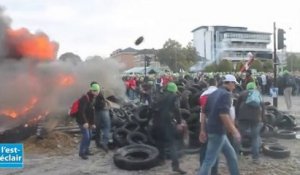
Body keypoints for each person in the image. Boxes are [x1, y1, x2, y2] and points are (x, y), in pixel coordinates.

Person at [198, 74, 241, 175]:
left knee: (231, 155)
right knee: (209, 161)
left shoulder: (213, 93)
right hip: (218, 131)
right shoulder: (226, 95)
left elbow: (203, 113)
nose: (234, 87)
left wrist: (202, 130)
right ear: (229, 83)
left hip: (213, 129)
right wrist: (235, 131)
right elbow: (224, 115)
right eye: (234, 84)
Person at [152, 82, 186, 174]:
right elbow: (176, 110)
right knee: (172, 144)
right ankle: (175, 166)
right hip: (167, 123)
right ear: (174, 90)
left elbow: (152, 107)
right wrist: (179, 122)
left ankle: (161, 160)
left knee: (160, 142)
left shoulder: (159, 95)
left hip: (157, 123)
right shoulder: (174, 97)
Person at [236, 82, 264, 164]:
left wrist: (236, 117)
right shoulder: (258, 94)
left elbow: (237, 106)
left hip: (243, 117)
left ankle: (235, 155)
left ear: (247, 87)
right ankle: (255, 158)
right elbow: (262, 106)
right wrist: (263, 118)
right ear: (254, 87)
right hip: (255, 118)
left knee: (239, 136)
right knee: (255, 138)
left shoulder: (242, 93)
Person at [198, 78, 219, 175]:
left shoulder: (203, 94)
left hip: (204, 122)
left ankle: (202, 168)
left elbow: (202, 111)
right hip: (217, 124)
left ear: (208, 84)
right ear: (216, 83)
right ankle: (214, 171)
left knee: (204, 146)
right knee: (215, 148)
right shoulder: (220, 93)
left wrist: (202, 128)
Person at [76, 83, 100, 160]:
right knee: (86, 136)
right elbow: (81, 111)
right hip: (82, 120)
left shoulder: (93, 97)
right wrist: (85, 122)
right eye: (96, 91)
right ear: (92, 90)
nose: (97, 93)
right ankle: (81, 152)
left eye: (98, 91)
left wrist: (92, 123)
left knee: (89, 136)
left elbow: (92, 112)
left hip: (88, 121)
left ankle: (86, 150)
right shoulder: (85, 98)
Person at [93, 82, 111, 152]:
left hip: (97, 112)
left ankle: (98, 143)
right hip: (104, 112)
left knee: (97, 128)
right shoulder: (102, 92)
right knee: (106, 127)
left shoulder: (92, 94)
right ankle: (104, 144)